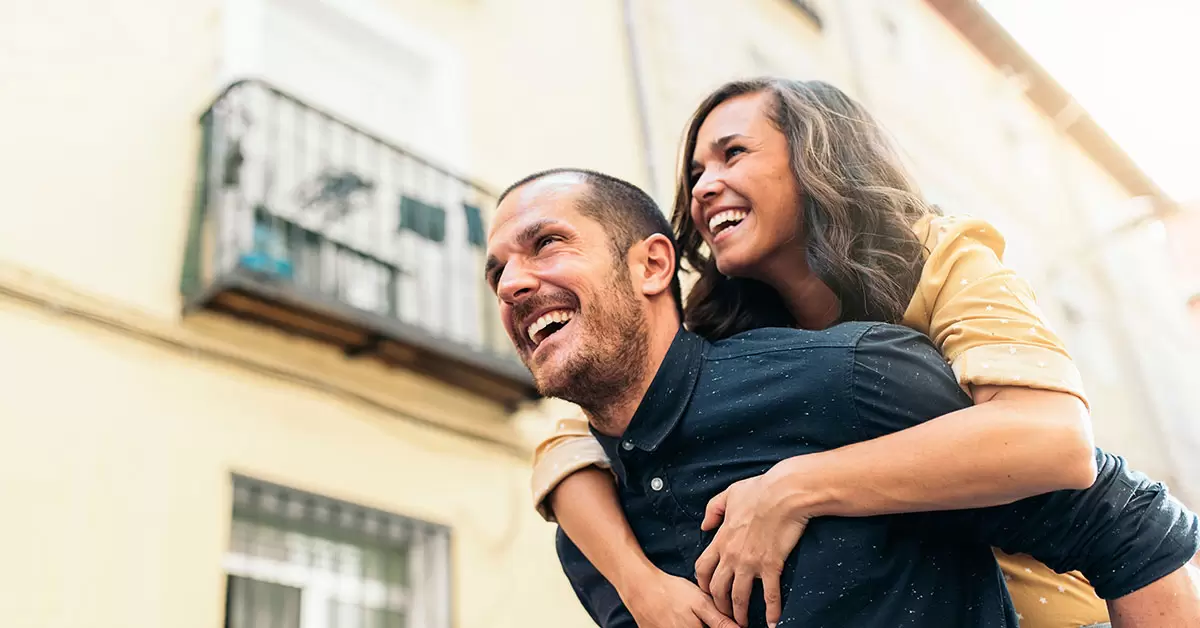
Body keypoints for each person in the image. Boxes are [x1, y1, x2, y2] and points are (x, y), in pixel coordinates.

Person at [483, 168, 1200, 627]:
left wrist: (801, 484)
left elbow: (1123, 522)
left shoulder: (848, 378)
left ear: (652, 263)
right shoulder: (590, 542)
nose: (511, 282)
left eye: (546, 242)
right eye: (497, 271)